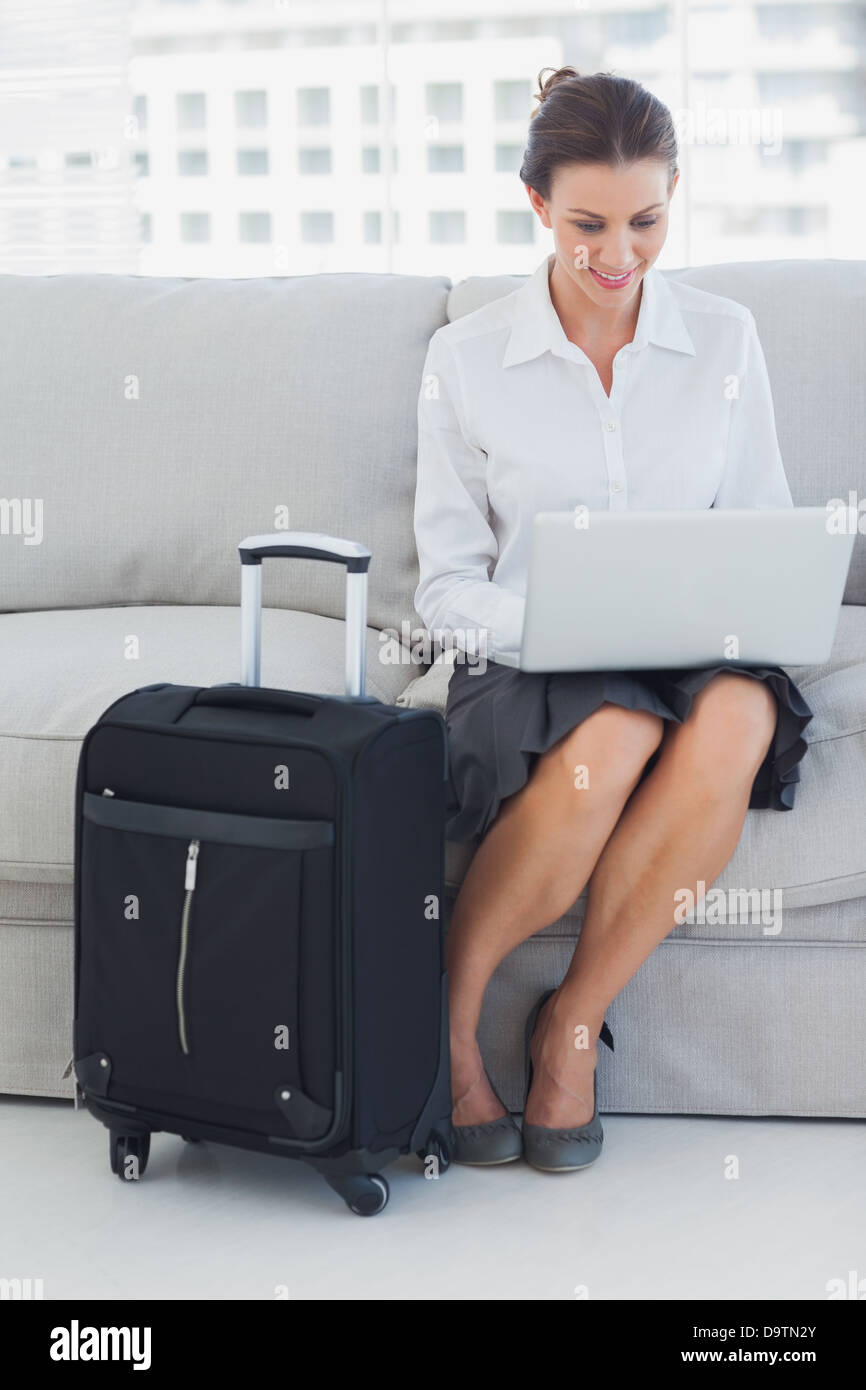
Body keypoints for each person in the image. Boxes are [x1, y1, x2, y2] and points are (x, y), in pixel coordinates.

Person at [412, 66, 813, 1173]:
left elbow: (764, 528)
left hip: (690, 648)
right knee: (614, 732)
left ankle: (568, 1027)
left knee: (734, 719)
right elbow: (443, 587)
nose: (617, 254)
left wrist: (732, 612)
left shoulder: (724, 341)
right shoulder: (466, 360)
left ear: (672, 195)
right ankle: (446, 1024)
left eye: (645, 220)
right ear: (536, 205)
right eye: (587, 223)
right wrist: (559, 625)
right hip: (530, 653)